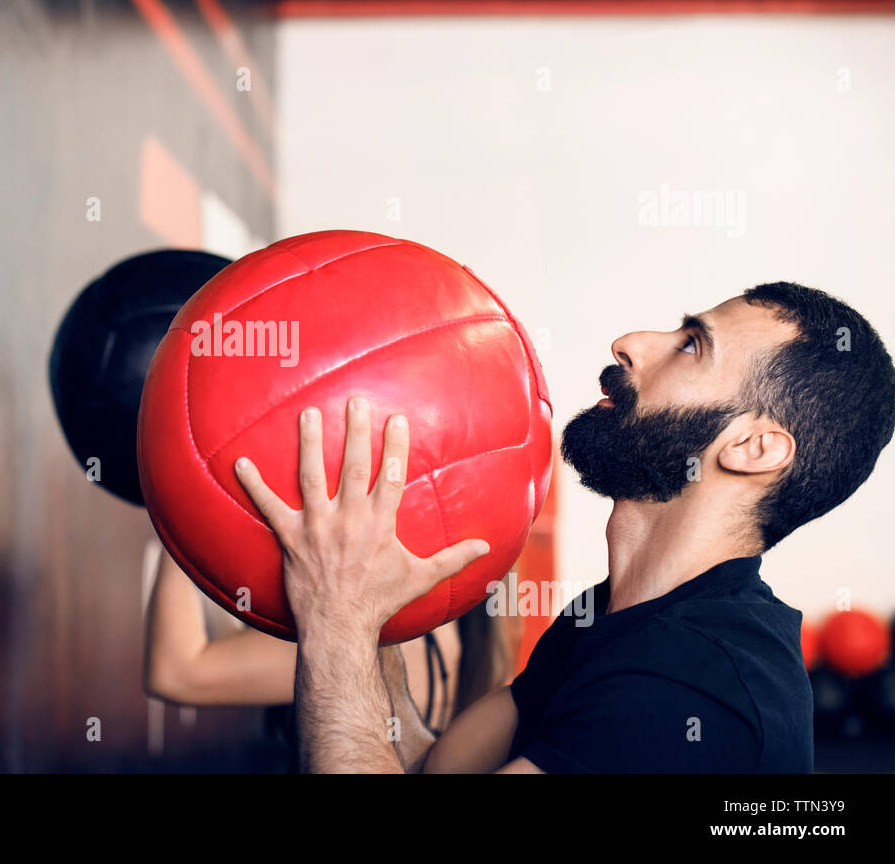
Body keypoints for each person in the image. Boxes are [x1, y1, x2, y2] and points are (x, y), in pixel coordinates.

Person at [232, 282, 895, 773]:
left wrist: (338, 618)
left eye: (691, 345)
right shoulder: (609, 614)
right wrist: (368, 605)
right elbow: (431, 765)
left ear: (752, 447)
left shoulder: (696, 689)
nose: (630, 343)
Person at [144, 548, 514, 762]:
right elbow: (230, 658)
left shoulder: (382, 641)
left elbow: (177, 672)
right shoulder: (459, 646)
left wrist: (178, 506)